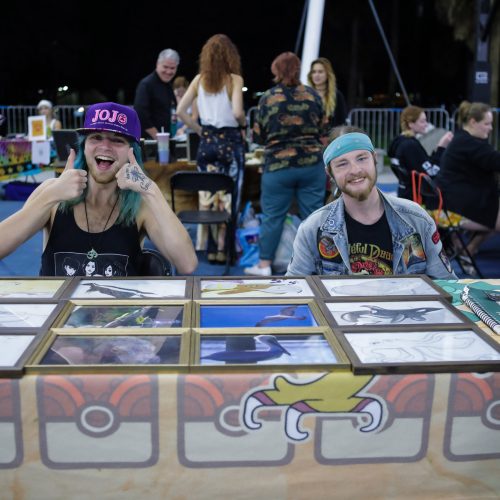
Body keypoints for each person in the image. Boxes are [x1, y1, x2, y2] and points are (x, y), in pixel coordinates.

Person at [0, 102, 197, 276]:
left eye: (117, 140)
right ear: (84, 147)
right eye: (96, 137)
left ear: (133, 152)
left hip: (118, 316)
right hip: (57, 315)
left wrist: (150, 189)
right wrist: (51, 195)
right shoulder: (51, 193)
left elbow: (187, 264)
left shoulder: (141, 204)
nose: (105, 146)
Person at [286, 131, 456, 278]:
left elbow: (446, 285)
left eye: (361, 158)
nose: (355, 170)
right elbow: (296, 294)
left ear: (374, 159)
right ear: (330, 173)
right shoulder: (313, 229)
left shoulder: (416, 220)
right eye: (342, 164)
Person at [244, 52, 326, 276]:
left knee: (273, 217)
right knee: (314, 217)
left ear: (277, 71)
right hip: (311, 166)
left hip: (278, 168)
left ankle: (264, 266)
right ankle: (321, 265)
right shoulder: (313, 96)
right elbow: (324, 130)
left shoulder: (268, 98)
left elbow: (259, 137)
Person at [177, 34, 246, 263]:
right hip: (231, 142)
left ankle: (210, 250)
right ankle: (224, 251)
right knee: (229, 197)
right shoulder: (234, 79)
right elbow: (237, 112)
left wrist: (199, 130)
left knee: (207, 195)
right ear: (231, 56)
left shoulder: (198, 80)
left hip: (207, 142)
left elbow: (180, 111)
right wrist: (243, 124)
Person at [436, 100, 500, 254]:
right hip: (452, 208)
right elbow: (495, 160)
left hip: (449, 201)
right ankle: (470, 248)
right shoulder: (469, 143)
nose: (490, 128)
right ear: (473, 122)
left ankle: (470, 247)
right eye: (487, 124)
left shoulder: (462, 139)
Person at [388, 105, 453, 200]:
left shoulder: (399, 142)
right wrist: (441, 147)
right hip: (415, 198)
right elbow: (431, 172)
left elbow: (422, 164)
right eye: (422, 121)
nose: (426, 124)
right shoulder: (410, 146)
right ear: (410, 124)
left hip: (404, 193)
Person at [133, 49, 180, 139]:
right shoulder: (146, 85)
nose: (169, 71)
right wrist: (159, 137)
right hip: (150, 143)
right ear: (157, 64)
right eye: (165, 67)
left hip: (165, 140)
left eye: (172, 68)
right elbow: (140, 114)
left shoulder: (168, 85)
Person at [307, 57, 347, 139]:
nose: (316, 75)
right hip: (309, 143)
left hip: (331, 143)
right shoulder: (305, 94)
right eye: (314, 72)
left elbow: (342, 123)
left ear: (327, 74)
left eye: (320, 72)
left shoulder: (337, 95)